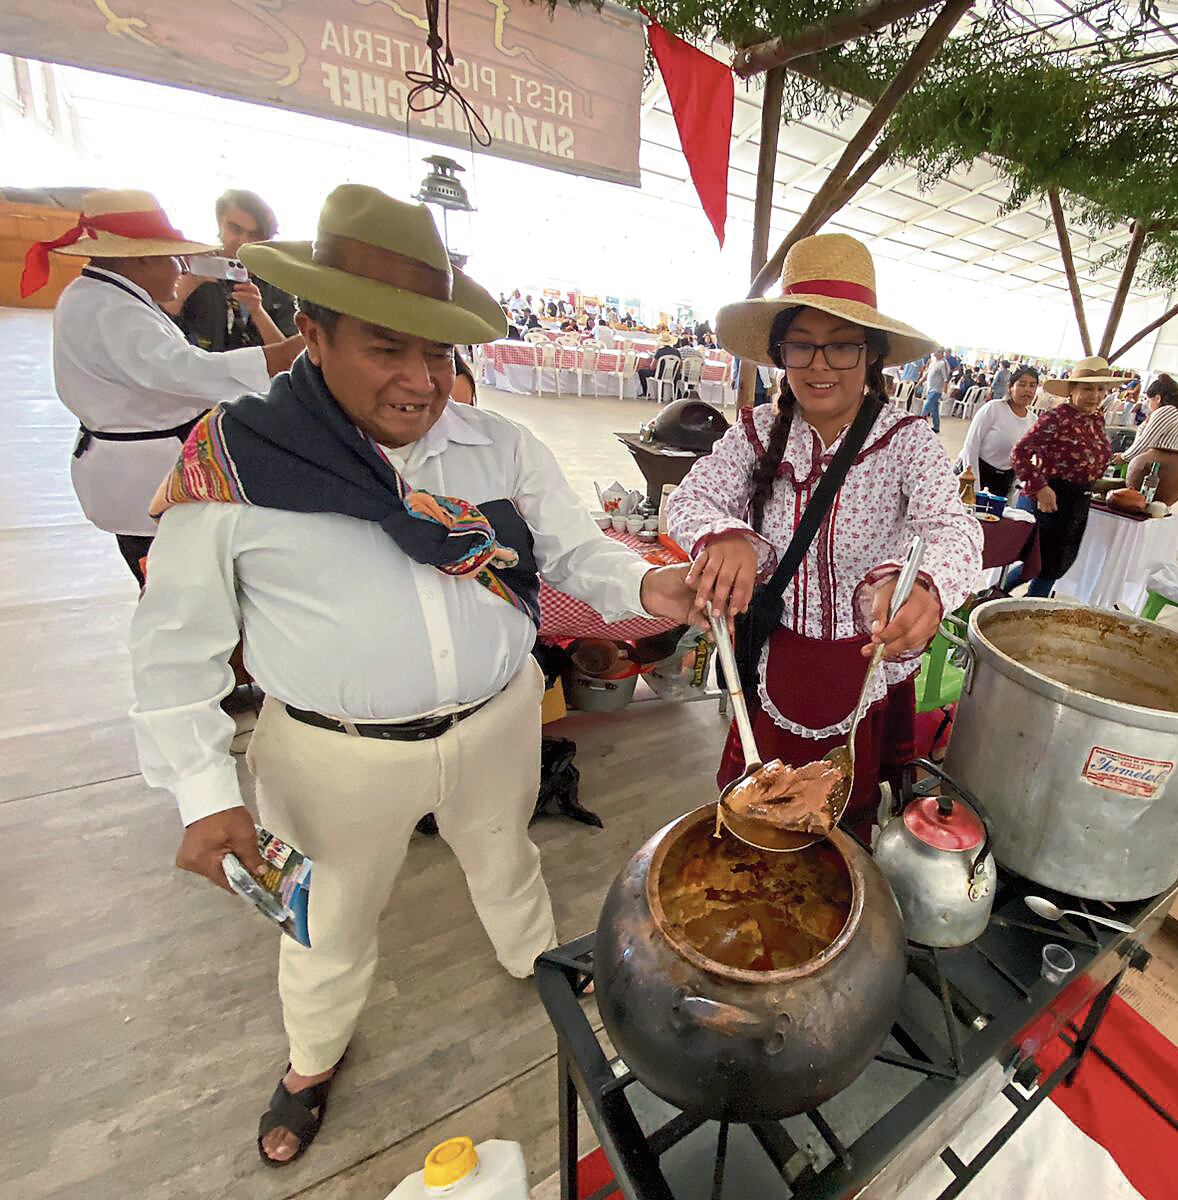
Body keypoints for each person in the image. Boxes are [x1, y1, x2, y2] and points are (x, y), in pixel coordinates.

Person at [129, 184, 700, 1166]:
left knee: (504, 851)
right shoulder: (237, 464)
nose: (419, 380)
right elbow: (170, 650)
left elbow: (573, 556)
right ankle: (313, 1056)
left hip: (496, 719)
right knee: (326, 917)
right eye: (385, 347)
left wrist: (657, 581)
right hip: (332, 761)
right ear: (313, 331)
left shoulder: (498, 445)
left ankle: (533, 960)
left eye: (435, 352)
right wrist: (200, 792)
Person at [666, 233, 982, 823]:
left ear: (872, 356)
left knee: (845, 813)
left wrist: (925, 585)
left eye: (841, 347)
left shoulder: (906, 440)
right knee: (759, 805)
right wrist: (724, 534)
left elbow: (955, 530)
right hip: (772, 654)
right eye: (801, 347)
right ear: (779, 352)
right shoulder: (756, 431)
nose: (819, 366)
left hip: (865, 663)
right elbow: (689, 498)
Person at [21, 188, 304, 582]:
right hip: (143, 479)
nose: (179, 268)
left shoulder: (100, 295)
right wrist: (296, 349)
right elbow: (188, 372)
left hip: (141, 467)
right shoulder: (112, 311)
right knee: (176, 589)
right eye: (173, 258)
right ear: (140, 257)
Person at [1004, 357, 1118, 596]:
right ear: (1073, 390)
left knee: (1055, 566)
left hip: (1078, 502)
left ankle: (1008, 601)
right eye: (1087, 388)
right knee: (1042, 566)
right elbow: (1020, 452)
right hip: (1051, 501)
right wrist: (1040, 488)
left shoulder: (1097, 420)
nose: (1095, 395)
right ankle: (1008, 602)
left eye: (1100, 389)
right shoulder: (1057, 418)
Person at [167, 189, 297, 353]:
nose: (243, 241)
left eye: (254, 235)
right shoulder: (192, 267)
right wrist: (189, 282)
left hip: (257, 377)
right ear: (219, 222)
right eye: (235, 229)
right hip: (197, 373)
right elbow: (158, 327)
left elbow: (291, 358)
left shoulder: (280, 283)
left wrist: (258, 312)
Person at [956, 365, 1040, 497]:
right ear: (1010, 387)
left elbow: (1024, 458)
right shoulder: (993, 409)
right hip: (973, 472)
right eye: (1022, 385)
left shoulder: (1033, 420)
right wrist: (974, 488)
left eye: (1032, 385)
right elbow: (971, 447)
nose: (1027, 390)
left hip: (1002, 481)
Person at [1114, 372, 1178, 504]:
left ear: (1157, 398)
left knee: (1141, 502)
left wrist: (1124, 457)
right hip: (1177, 468)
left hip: (1157, 467)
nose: (1147, 404)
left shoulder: (1166, 411)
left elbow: (1145, 442)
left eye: (1148, 399)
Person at [920, 348, 951, 432]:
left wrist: (944, 390)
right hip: (930, 389)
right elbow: (927, 374)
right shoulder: (933, 362)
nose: (934, 353)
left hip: (936, 390)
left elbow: (945, 378)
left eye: (936, 351)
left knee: (926, 407)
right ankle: (936, 427)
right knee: (934, 409)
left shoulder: (943, 363)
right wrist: (920, 382)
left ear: (941, 353)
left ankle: (918, 423)